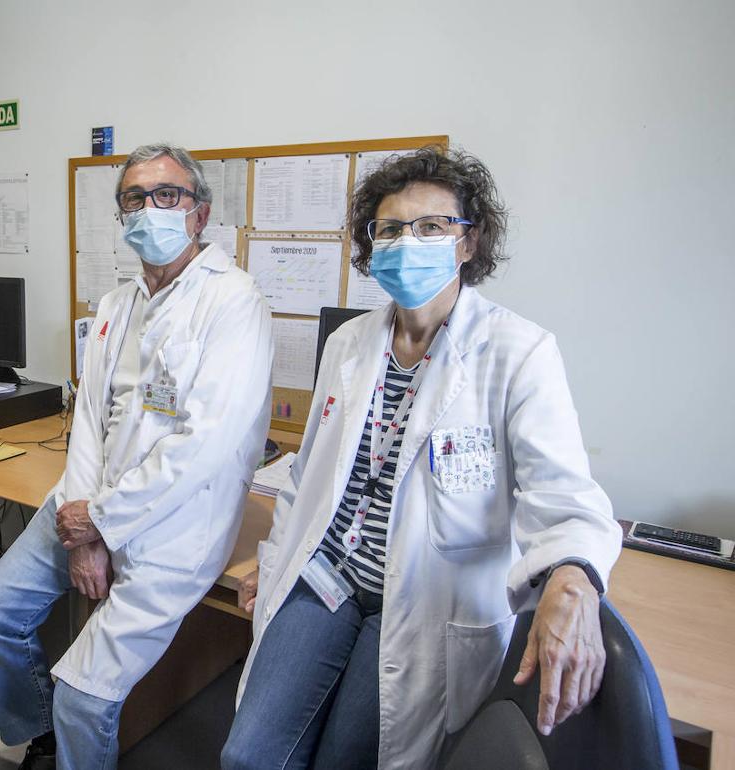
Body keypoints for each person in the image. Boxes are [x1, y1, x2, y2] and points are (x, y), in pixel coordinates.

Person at [222, 147, 623, 770]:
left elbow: (566, 499)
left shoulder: (518, 353)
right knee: (249, 756)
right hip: (328, 575)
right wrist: (276, 561)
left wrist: (573, 581)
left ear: (467, 243)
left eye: (431, 227)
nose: (408, 241)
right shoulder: (351, 342)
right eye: (390, 229)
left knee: (345, 760)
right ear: (371, 244)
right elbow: (308, 478)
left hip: (424, 604)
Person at [0, 143, 274, 769]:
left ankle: (68, 726)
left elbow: (203, 448)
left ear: (200, 213)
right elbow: (89, 421)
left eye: (167, 195)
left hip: (176, 527)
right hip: (87, 505)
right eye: (135, 198)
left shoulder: (235, 301)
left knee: (83, 694)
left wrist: (102, 522)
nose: (149, 209)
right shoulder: (116, 305)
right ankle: (41, 734)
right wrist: (83, 527)